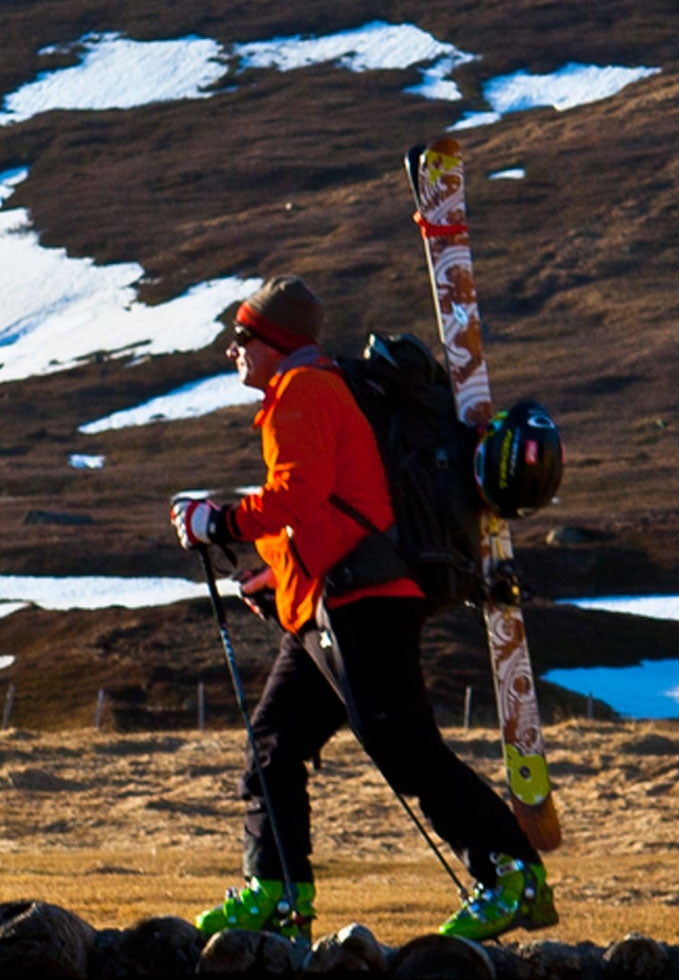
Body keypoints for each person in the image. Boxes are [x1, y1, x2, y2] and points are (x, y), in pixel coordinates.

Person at [170, 274, 556, 943]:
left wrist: (219, 521)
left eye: (241, 337)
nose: (232, 349)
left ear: (273, 341)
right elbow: (324, 508)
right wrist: (275, 579)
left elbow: (299, 494)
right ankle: (276, 893)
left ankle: (510, 874)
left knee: (404, 749)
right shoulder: (312, 390)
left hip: (364, 601)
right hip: (334, 603)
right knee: (274, 744)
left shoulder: (303, 391)